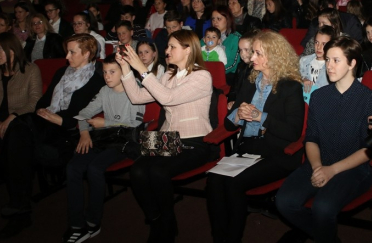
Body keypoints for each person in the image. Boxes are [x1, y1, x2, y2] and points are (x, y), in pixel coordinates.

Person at [276, 36, 372, 243]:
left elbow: (369, 149)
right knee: (284, 201)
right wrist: (317, 167)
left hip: (353, 169)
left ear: (352, 63)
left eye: (336, 60)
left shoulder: (370, 100)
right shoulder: (319, 96)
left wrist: (331, 170)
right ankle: (325, 236)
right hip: (319, 162)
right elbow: (312, 137)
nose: (329, 66)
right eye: (327, 60)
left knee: (322, 208)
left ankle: (318, 233)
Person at [0, 34, 104, 239]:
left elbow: (78, 114)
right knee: (18, 129)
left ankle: (19, 207)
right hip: (46, 124)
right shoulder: (61, 72)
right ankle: (19, 207)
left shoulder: (96, 80)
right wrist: (43, 113)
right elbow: (42, 102)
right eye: (67, 51)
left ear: (87, 54)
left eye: (72, 52)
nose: (67, 56)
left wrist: (55, 118)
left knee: (17, 131)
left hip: (68, 133)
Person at [206, 31, 304, 243]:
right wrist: (237, 114)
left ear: (274, 56)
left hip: (276, 152)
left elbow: (293, 132)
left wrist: (262, 117)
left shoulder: (290, 86)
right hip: (248, 148)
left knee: (233, 184)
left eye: (257, 53)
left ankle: (232, 239)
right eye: (252, 53)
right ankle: (219, 238)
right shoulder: (251, 81)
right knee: (213, 179)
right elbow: (228, 123)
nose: (251, 58)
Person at [116, 29, 213, 242]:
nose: (166, 51)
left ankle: (168, 225)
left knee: (158, 172)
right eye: (167, 46)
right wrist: (125, 68)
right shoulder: (168, 75)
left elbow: (168, 98)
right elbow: (136, 97)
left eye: (172, 47)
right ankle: (156, 219)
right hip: (168, 139)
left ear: (188, 50)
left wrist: (142, 69)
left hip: (195, 141)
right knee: (138, 170)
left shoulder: (202, 76)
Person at [63, 54, 146, 243]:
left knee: (94, 168)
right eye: (105, 72)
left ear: (124, 72)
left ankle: (93, 221)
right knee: (73, 168)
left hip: (124, 142)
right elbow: (83, 113)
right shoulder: (104, 91)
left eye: (112, 72)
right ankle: (77, 224)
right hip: (104, 138)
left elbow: (135, 125)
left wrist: (106, 122)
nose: (107, 76)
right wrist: (84, 132)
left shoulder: (135, 91)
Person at [0, 33, 42, 138]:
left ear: (13, 50)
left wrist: (12, 117)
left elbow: (35, 101)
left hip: (19, 119)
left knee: (16, 132)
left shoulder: (30, 70)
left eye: (1, 50)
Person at [299, 26, 337, 99]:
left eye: (324, 44)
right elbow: (294, 78)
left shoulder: (333, 65)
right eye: (316, 42)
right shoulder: (304, 61)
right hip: (304, 100)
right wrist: (303, 79)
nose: (319, 47)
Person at [227, 29, 259, 110]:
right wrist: (231, 100)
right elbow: (233, 89)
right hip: (239, 105)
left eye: (246, 49)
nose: (242, 54)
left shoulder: (259, 69)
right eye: (240, 50)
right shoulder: (241, 66)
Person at [210, 6, 242, 79]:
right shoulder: (208, 37)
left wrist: (214, 72)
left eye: (219, 19)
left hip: (228, 76)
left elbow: (233, 64)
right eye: (213, 19)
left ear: (227, 20)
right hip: (208, 74)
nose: (215, 22)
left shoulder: (236, 38)